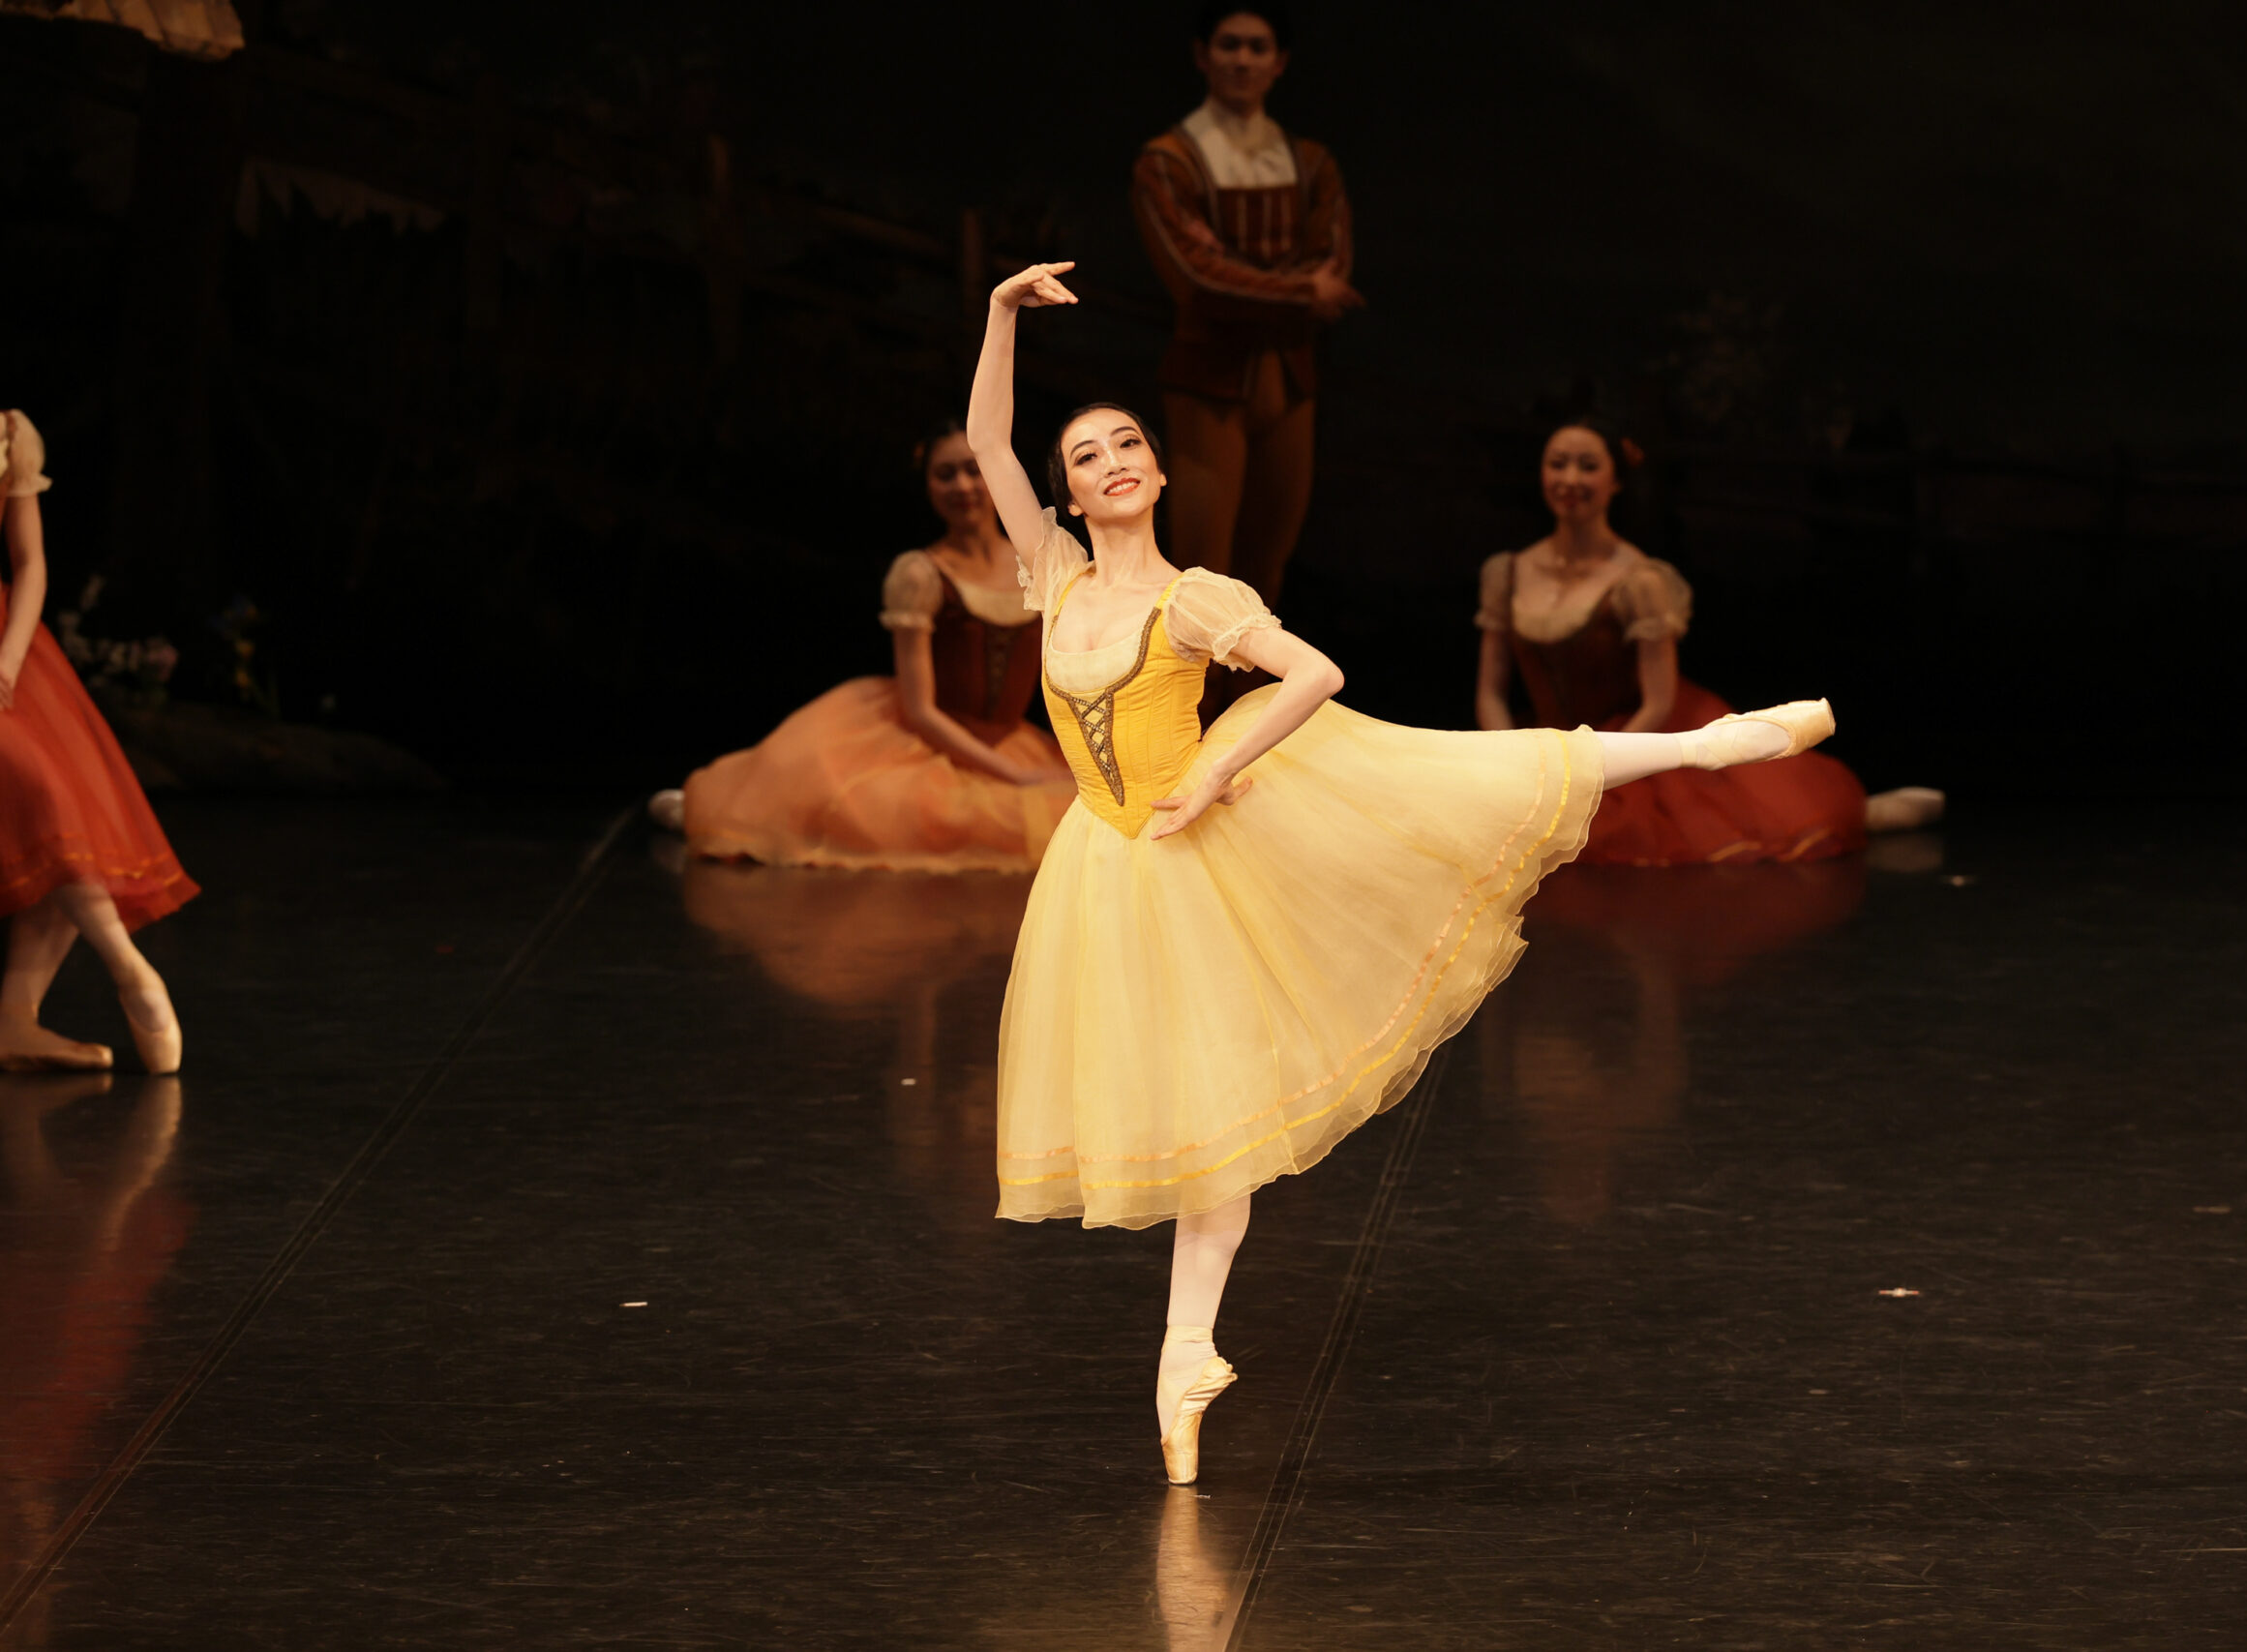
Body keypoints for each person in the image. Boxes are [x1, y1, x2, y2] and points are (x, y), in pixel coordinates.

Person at [970, 264, 1838, 1484]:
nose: (1109, 462)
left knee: (1459, 785)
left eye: (1128, 446)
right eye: (1085, 456)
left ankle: (1703, 744)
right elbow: (985, 443)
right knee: (1201, 1116)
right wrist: (1000, 316)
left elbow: (1313, 674)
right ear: (1066, 492)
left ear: (1159, 476)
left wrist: (1215, 775)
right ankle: (1187, 1358)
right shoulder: (1054, 576)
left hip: (1192, 848)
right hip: (1102, 869)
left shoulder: (1193, 599)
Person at [1476, 418, 1942, 865]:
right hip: (1545, 743)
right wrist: (1510, 760)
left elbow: (1658, 702)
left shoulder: (1638, 581)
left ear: (1615, 481)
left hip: (1627, 741)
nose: (1570, 479)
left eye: (1588, 466)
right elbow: (1491, 690)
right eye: (1558, 464)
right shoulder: (1509, 572)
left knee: (1746, 817)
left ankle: (1860, 813)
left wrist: (1593, 770)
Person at [652, 420, 1077, 871]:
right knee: (869, 809)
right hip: (931, 741)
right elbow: (920, 712)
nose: (963, 486)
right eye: (945, 474)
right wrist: (1017, 776)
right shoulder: (921, 574)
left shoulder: (1039, 561)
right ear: (928, 486)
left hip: (1014, 740)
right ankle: (715, 809)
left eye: (973, 470)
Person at [1130, 4, 1361, 610]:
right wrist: (1299, 291)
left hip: (1289, 376)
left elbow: (1332, 266)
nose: (1242, 59)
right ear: (1202, 55)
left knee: (1268, 568)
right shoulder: (1169, 161)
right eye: (1229, 44)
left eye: (1258, 47)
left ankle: (1258, 679)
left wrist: (1259, 286)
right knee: (1202, 571)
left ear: (1279, 62)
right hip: (1209, 379)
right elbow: (1196, 280)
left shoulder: (1310, 163)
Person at [0, 409, 193, 1075]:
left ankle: (15, 1019)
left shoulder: (8, 433)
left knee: (67, 812)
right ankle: (131, 969)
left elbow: (31, 564)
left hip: (11, 652)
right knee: (42, 797)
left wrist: (8, 659)